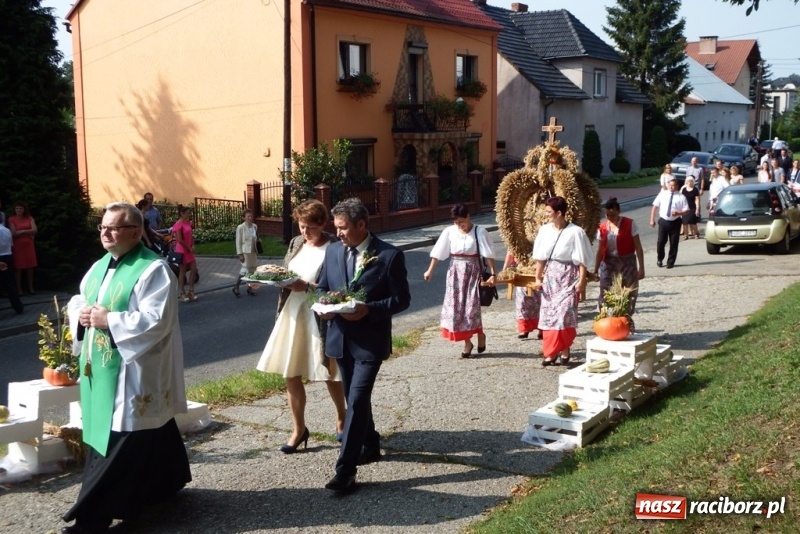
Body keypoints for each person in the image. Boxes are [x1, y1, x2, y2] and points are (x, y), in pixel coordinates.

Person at [63, 202, 190, 533]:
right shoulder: (100, 265)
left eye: (114, 228)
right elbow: (80, 298)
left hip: (134, 369)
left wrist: (109, 319)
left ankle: (92, 518)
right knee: (147, 429)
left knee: (121, 439)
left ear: (135, 231)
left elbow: (156, 321)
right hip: (102, 368)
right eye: (102, 227)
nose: (105, 233)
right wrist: (82, 313)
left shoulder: (153, 269)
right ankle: (164, 483)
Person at [316, 198, 410, 494]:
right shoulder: (332, 251)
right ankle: (370, 443)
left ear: (361, 224)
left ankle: (345, 471)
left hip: (370, 341)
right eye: (336, 228)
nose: (338, 233)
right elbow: (321, 287)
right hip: (340, 338)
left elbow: (402, 299)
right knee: (355, 398)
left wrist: (371, 309)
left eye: (343, 228)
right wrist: (325, 305)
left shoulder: (389, 255)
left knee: (355, 401)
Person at [256, 199, 346, 453]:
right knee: (291, 372)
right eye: (301, 226)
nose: (305, 232)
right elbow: (283, 272)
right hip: (291, 313)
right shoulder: (297, 243)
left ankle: (342, 418)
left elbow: (339, 289)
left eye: (310, 227)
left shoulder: (335, 248)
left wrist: (306, 286)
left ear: (322, 224)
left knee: (329, 371)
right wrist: (266, 280)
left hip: (318, 315)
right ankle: (299, 430)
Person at [423, 204, 496, 358]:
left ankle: (480, 334)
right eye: (456, 222)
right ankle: (467, 343)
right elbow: (438, 252)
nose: (459, 225)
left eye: (461, 221)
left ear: (468, 216)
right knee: (457, 310)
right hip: (455, 273)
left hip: (472, 273)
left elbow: (488, 254)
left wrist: (493, 274)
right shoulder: (449, 232)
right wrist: (430, 270)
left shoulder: (479, 231)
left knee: (471, 309)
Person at [532, 196, 594, 366]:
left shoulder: (576, 232)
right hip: (551, 277)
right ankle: (551, 353)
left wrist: (581, 282)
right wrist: (538, 278)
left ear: (559, 213)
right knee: (549, 316)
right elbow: (540, 258)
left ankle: (564, 348)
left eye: (549, 212)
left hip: (569, 277)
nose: (546, 215)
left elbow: (582, 261)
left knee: (565, 314)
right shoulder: (544, 230)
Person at [594, 197, 644, 315]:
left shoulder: (630, 224)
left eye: (613, 215)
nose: (610, 218)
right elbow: (600, 250)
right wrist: (595, 270)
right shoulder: (602, 227)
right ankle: (607, 315)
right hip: (609, 262)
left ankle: (625, 316)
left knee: (627, 291)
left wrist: (641, 268)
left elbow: (638, 247)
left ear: (618, 212)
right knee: (605, 288)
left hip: (627, 261)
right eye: (607, 215)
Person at [650, 178, 689, 269]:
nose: (671, 187)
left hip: (675, 222)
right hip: (663, 221)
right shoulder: (663, 194)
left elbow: (686, 210)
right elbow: (655, 207)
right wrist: (652, 219)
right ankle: (660, 258)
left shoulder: (681, 197)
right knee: (661, 242)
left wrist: (679, 213)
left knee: (674, 242)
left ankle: (670, 262)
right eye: (670, 185)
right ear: (667, 185)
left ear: (677, 186)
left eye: (673, 185)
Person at [501, 252, 541, 340]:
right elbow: (511, 251)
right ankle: (524, 328)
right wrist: (505, 270)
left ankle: (542, 328)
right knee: (522, 302)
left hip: (539, 267)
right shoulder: (519, 238)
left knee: (540, 301)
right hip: (522, 269)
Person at [8, 201, 37, 295]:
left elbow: (35, 230)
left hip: (29, 245)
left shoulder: (29, 218)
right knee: (18, 268)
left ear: (24, 210)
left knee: (30, 267)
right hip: (17, 246)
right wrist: (28, 232)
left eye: (20, 208)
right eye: (17, 208)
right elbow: (14, 233)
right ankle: (19, 289)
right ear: (14, 210)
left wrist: (21, 231)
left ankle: (31, 288)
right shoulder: (11, 219)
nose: (19, 210)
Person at [172, 205, 198, 302]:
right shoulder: (178, 224)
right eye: (187, 213)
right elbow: (179, 239)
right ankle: (182, 292)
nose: (189, 214)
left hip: (189, 249)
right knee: (182, 272)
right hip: (182, 250)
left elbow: (191, 235)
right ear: (182, 214)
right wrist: (188, 247)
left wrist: (193, 245)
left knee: (194, 269)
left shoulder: (187, 222)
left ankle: (191, 291)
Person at [233, 209, 259, 297]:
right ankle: (236, 287)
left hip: (253, 251)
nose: (250, 218)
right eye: (248, 216)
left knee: (252, 269)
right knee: (245, 270)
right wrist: (240, 254)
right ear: (244, 218)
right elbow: (238, 242)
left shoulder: (254, 226)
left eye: (251, 216)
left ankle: (249, 288)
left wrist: (258, 242)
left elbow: (255, 237)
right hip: (245, 252)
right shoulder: (240, 227)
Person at [0, 223, 23, 315]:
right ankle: (18, 307)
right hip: (8, 255)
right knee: (9, 283)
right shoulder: (7, 230)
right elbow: (11, 244)